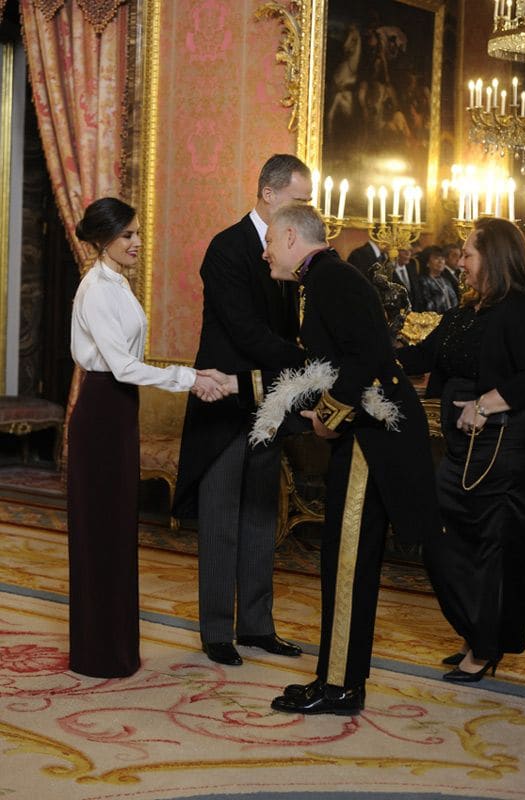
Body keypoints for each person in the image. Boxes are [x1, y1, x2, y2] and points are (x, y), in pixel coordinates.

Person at [254, 203, 440, 715]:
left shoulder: (334, 280)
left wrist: (329, 416)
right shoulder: (326, 279)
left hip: (370, 442)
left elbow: (369, 355)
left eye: (270, 241)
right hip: (366, 436)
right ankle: (337, 680)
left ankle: (338, 687)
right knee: (344, 562)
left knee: (347, 564)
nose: (265, 251)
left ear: (291, 237)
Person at [69, 197, 228, 679]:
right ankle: (98, 654)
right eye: (128, 236)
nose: (138, 242)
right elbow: (120, 366)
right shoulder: (96, 288)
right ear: (103, 241)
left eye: (138, 233)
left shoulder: (117, 283)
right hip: (101, 410)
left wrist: (191, 375)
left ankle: (116, 649)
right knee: (100, 531)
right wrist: (191, 378)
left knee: (117, 528)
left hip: (118, 410)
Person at [172, 154, 311, 667]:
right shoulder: (226, 248)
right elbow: (247, 332)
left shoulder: (286, 250)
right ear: (269, 194)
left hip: (266, 402)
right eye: (299, 199)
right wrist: (307, 364)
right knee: (221, 519)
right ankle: (216, 632)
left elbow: (284, 328)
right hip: (224, 403)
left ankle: (257, 626)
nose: (305, 210)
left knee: (259, 516)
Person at [397, 217, 525, 682]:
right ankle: (477, 630)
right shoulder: (463, 312)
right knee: (441, 540)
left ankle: (484, 644)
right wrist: (368, 338)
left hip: (503, 450)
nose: (462, 263)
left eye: (470, 255)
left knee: (493, 551)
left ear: (493, 258)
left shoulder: (521, 310)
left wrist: (488, 402)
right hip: (460, 450)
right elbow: (419, 357)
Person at [419, 245, 458, 312]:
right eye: (436, 258)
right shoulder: (423, 281)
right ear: (427, 263)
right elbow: (428, 306)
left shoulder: (446, 280)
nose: (440, 261)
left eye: (442, 258)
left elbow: (455, 301)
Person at [391, 246, 424, 311]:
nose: (408, 253)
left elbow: (417, 293)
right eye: (403, 250)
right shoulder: (388, 270)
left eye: (409, 250)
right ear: (394, 252)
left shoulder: (412, 267)